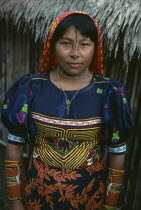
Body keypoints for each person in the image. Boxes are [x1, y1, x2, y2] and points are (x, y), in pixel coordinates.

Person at [1, 11, 132, 210]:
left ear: (95, 48)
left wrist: (110, 205)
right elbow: (16, 146)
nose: (75, 53)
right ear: (52, 46)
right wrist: (15, 201)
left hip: (90, 199)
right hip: (36, 198)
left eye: (85, 44)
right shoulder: (31, 88)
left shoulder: (109, 92)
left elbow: (117, 153)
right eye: (66, 43)